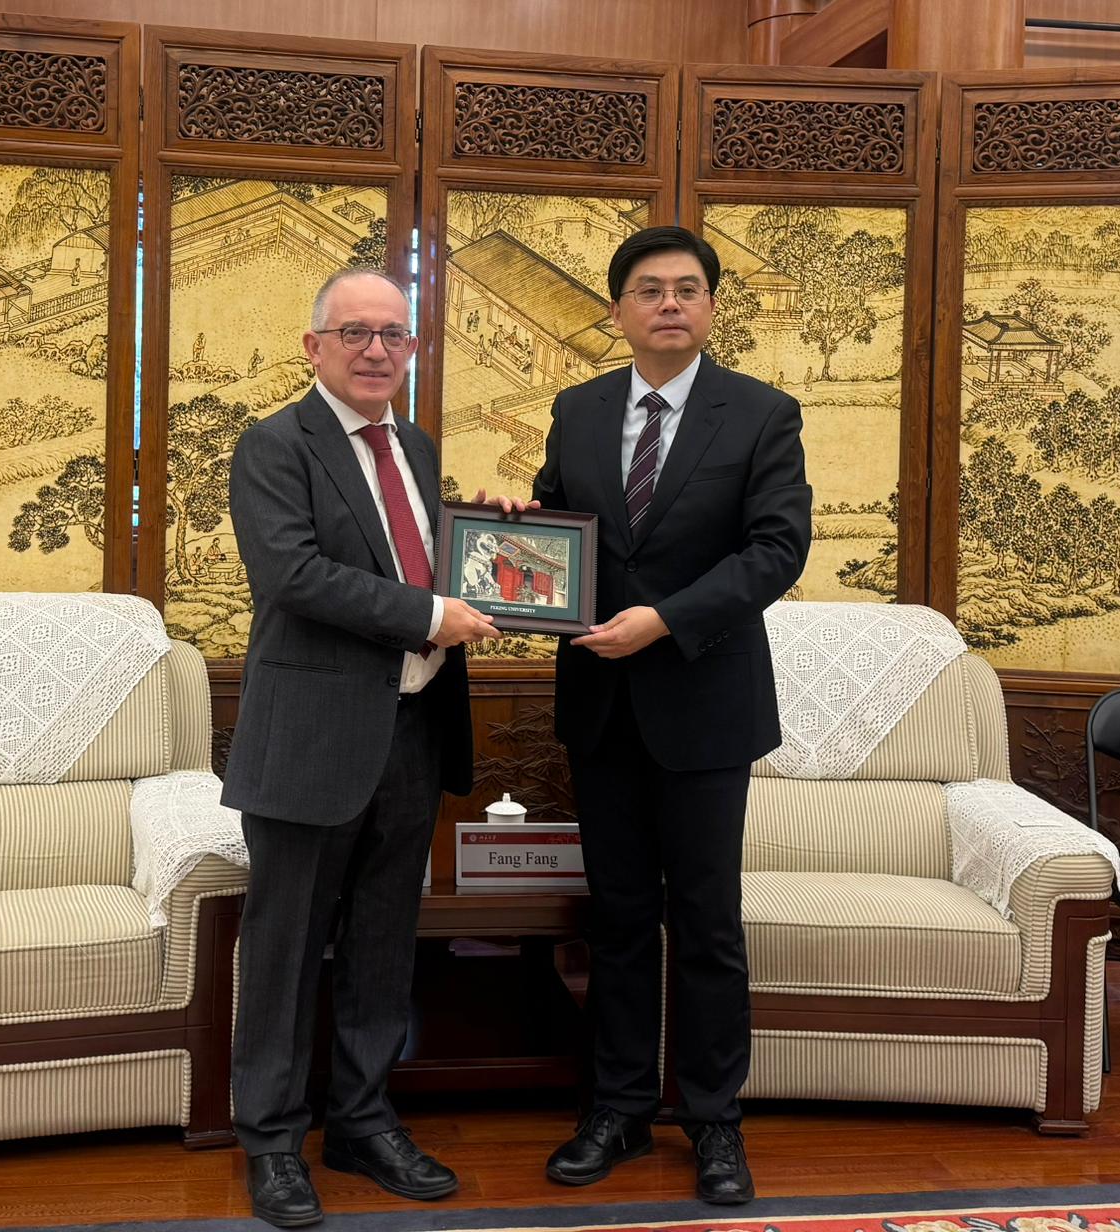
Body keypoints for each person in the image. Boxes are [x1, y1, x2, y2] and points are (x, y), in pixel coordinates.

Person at [531, 226, 811, 1204]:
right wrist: (506, 560)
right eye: (649, 290)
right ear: (617, 311)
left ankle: (714, 1121)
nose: (669, 304)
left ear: (712, 307)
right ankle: (614, 1110)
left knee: (705, 921)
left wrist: (667, 620)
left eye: (688, 289)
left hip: (705, 700)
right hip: (600, 703)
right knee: (616, 919)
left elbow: (776, 549)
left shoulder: (762, 413)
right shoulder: (576, 410)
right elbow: (554, 528)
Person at [223, 268, 505, 1229]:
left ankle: (362, 1121)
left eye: (394, 334)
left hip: (414, 729)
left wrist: (493, 545)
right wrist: (431, 613)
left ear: (412, 349)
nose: (377, 350)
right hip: (312, 739)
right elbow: (294, 575)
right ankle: (271, 1140)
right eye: (355, 333)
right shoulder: (274, 445)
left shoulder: (415, 448)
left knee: (385, 939)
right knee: (286, 946)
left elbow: (426, 559)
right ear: (315, 347)